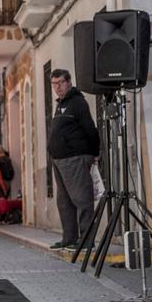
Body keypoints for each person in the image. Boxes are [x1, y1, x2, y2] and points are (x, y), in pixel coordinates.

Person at [47, 68, 100, 251]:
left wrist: (94, 153)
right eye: (54, 84)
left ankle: (86, 241)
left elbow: (90, 128)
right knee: (64, 202)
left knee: (82, 200)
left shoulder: (77, 102)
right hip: (59, 160)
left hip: (75, 158)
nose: (58, 87)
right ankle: (69, 238)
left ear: (69, 82)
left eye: (61, 83)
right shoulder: (60, 103)